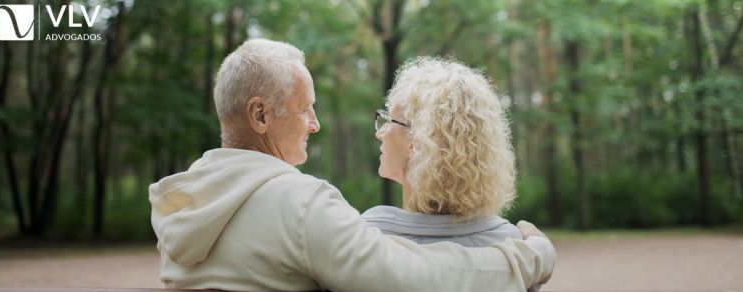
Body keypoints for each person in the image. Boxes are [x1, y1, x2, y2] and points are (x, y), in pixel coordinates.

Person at [149, 38, 555, 291]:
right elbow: (415, 279)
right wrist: (531, 256)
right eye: (305, 110)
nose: (316, 124)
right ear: (260, 117)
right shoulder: (300, 204)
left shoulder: (187, 201)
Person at [362, 57, 544, 290]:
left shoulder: (371, 236)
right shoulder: (512, 246)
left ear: (416, 140)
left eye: (388, 120)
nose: (381, 133)